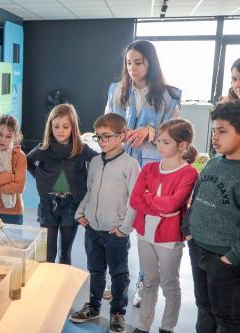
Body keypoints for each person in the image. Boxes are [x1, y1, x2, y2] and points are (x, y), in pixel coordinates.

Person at [105, 39, 182, 307]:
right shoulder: (116, 91)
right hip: (121, 165)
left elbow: (177, 134)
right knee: (119, 222)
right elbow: (106, 124)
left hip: (152, 171)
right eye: (128, 62)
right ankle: (118, 280)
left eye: (138, 62)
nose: (132, 68)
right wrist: (118, 134)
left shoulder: (167, 96)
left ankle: (143, 283)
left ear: (150, 63)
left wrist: (151, 132)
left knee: (146, 230)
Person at [70, 113, 140, 333]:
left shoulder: (130, 165)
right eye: (98, 137)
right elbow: (89, 192)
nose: (102, 141)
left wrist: (124, 229)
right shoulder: (94, 162)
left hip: (115, 232)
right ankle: (93, 306)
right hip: (92, 229)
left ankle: (117, 313)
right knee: (95, 270)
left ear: (122, 136)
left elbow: (135, 201)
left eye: (107, 136)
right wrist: (80, 213)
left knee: (119, 275)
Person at [130, 119, 198, 333]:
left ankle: (167, 327)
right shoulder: (149, 168)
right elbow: (135, 200)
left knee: (169, 285)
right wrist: (162, 207)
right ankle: (143, 325)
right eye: (158, 141)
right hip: (144, 233)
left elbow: (174, 203)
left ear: (183, 145)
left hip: (169, 238)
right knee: (149, 281)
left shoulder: (189, 173)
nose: (159, 146)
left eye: (166, 142)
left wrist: (149, 198)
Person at [181, 101, 240, 333]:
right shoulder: (213, 163)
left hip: (225, 259)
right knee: (203, 307)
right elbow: (196, 200)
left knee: (227, 318)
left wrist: (233, 256)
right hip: (198, 250)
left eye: (222, 131)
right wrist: (188, 230)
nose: (215, 137)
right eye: (214, 130)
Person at [27, 104, 97, 264]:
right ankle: (47, 284)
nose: (60, 130)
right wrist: (38, 175)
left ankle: (63, 285)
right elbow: (26, 160)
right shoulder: (44, 149)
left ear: (73, 127)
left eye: (65, 126)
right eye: (56, 126)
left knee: (65, 252)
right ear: (50, 127)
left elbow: (98, 160)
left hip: (71, 205)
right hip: (48, 205)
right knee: (48, 253)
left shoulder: (81, 149)